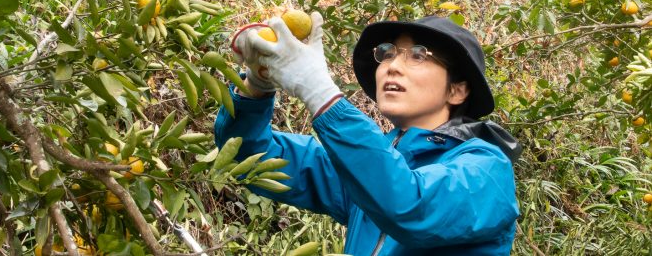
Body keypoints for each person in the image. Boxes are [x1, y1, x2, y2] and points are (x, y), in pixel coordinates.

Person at [215, 14, 522, 255]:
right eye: (387, 54)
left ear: (457, 90)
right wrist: (256, 86)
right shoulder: (367, 166)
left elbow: (410, 206)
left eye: (417, 55)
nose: (392, 66)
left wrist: (320, 92)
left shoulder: (487, 170)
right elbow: (249, 156)